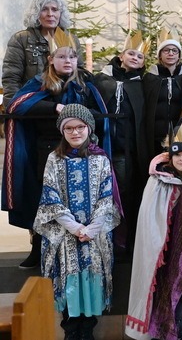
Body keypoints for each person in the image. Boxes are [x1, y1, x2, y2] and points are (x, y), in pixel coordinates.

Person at [2, 30, 108, 269]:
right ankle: (39, 246)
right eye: (61, 57)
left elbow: (100, 114)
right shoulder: (39, 83)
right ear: (51, 59)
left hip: (82, 151)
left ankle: (81, 245)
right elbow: (17, 105)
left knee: (80, 199)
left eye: (71, 57)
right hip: (48, 150)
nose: (67, 61)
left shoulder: (85, 83)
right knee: (47, 200)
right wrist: (54, 107)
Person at [35, 104, 120, 340]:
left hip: (94, 233)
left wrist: (92, 229)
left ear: (89, 128)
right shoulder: (54, 158)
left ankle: (88, 329)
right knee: (69, 278)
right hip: (66, 234)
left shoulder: (100, 158)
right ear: (62, 132)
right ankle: (71, 330)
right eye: (69, 128)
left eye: (80, 127)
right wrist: (75, 227)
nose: (75, 132)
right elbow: (50, 195)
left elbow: (107, 197)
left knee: (91, 276)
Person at [125, 125, 182, 340]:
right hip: (164, 248)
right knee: (163, 288)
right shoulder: (158, 180)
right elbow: (149, 218)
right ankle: (162, 332)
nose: (181, 159)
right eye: (177, 154)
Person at [94, 31, 149, 249]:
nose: (135, 58)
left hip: (127, 151)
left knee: (125, 193)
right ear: (121, 55)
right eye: (131, 53)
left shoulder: (142, 83)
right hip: (104, 146)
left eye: (140, 56)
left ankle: (122, 242)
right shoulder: (101, 79)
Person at [2, 0, 83, 107]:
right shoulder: (21, 39)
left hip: (66, 104)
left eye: (55, 9)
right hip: (33, 105)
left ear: (61, 13)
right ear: (36, 14)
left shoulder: (71, 39)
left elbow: (79, 73)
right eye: (44, 9)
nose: (50, 14)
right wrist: (14, 106)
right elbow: (11, 78)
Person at [143, 29, 182, 161]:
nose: (171, 53)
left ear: (179, 55)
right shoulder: (150, 78)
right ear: (160, 55)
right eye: (166, 50)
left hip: (179, 133)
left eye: (174, 50)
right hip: (155, 134)